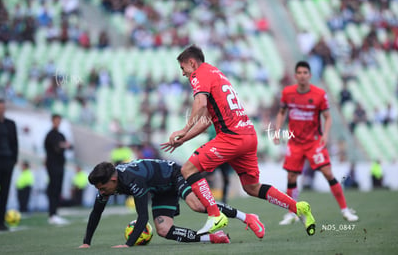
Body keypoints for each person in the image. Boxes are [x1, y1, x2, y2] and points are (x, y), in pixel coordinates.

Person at [161, 45, 316, 237]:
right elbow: (207, 119)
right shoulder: (216, 74)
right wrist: (184, 138)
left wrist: (183, 129)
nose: (183, 73)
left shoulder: (199, 75)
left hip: (231, 137)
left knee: (188, 169)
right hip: (248, 136)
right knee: (252, 187)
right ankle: (298, 207)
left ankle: (214, 214)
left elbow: (200, 105)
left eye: (183, 68)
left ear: (192, 63)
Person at [79, 160, 265, 248]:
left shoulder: (132, 181)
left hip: (174, 175)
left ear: (113, 179)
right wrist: (86, 243)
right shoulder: (108, 184)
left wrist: (128, 245)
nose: (101, 192)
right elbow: (96, 212)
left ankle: (247, 217)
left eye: (102, 188)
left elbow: (142, 217)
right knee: (163, 230)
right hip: (159, 189)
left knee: (197, 205)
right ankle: (212, 238)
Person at [273, 61, 358, 225]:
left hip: (314, 142)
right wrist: (277, 130)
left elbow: (328, 117)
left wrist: (325, 134)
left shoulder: (319, 94)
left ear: (310, 75)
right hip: (295, 142)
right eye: (299, 72)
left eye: (305, 72)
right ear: (295, 75)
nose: (302, 75)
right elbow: (282, 112)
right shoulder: (288, 93)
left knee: (328, 173)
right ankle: (292, 213)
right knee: (291, 176)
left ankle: (345, 210)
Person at [0, 99, 18, 231]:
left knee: (4, 193)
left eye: (2, 107)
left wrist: (13, 160)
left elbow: (15, 143)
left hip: (8, 162)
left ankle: (0, 223)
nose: (0, 110)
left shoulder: (11, 124)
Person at [44, 114, 72, 225]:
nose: (57, 122)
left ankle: (55, 213)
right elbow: (56, 147)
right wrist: (62, 146)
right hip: (52, 165)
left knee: (58, 189)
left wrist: (65, 145)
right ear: (52, 121)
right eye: (55, 120)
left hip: (60, 164)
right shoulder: (50, 135)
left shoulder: (61, 134)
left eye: (59, 121)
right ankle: (52, 214)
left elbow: (68, 146)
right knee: (53, 188)